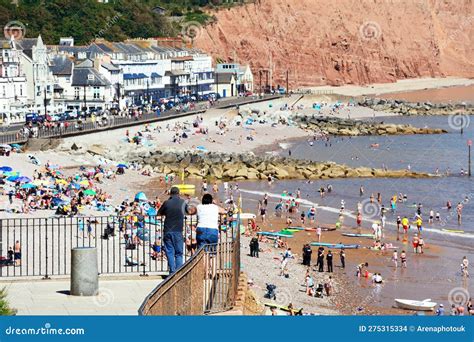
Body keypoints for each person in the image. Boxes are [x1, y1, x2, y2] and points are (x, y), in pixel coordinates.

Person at [157, 187, 190, 274]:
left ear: (171, 194)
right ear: (178, 193)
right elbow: (188, 211)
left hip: (168, 229)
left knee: (169, 251)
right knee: (179, 253)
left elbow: (159, 213)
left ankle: (172, 272)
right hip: (178, 230)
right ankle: (179, 273)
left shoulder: (167, 203)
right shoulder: (183, 202)